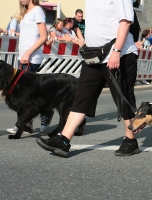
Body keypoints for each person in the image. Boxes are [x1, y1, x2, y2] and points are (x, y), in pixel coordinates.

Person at [36, 0, 140, 158]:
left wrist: (117, 51)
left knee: (122, 98)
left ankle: (131, 141)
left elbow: (125, 22)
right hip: (94, 55)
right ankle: (63, 141)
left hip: (119, 53)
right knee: (81, 97)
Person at [7, 0, 54, 134]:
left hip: (31, 58)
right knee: (24, 94)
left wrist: (28, 53)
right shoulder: (26, 13)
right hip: (22, 57)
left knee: (25, 94)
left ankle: (43, 113)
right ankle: (26, 124)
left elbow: (44, 36)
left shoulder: (37, 11)